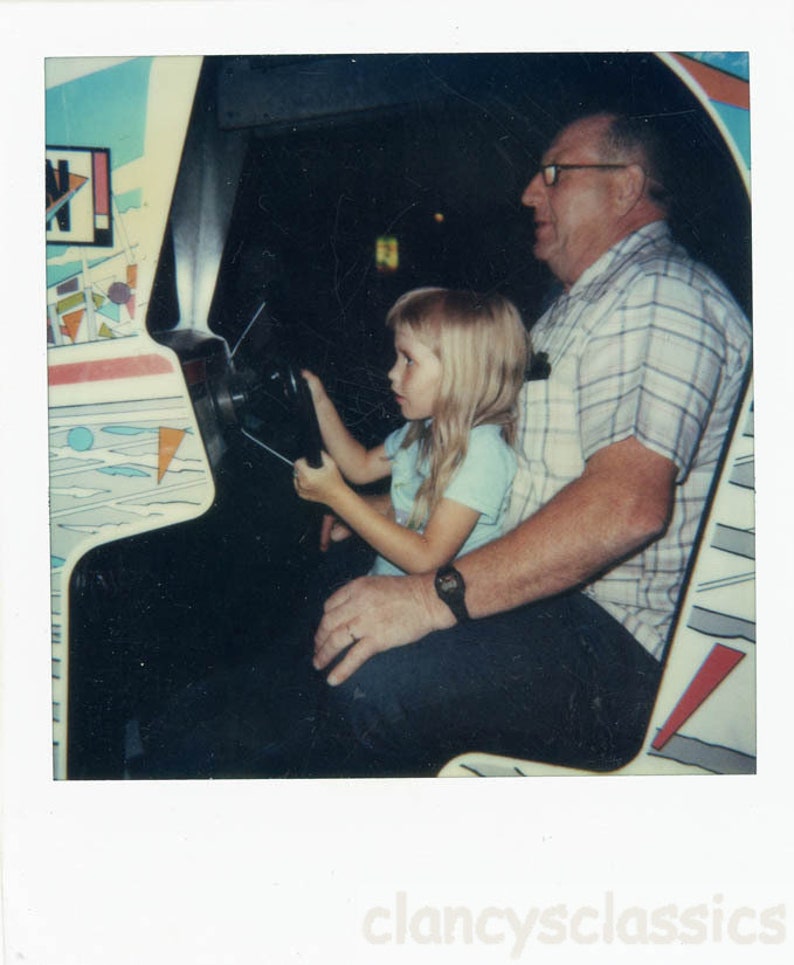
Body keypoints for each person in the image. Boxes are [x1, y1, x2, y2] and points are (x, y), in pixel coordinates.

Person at [304, 111, 752, 776]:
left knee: (376, 683)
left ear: (625, 188)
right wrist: (390, 510)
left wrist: (431, 598)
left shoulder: (657, 297)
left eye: (553, 174)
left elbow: (626, 506)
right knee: (338, 609)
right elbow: (508, 477)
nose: (528, 193)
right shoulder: (578, 307)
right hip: (559, 599)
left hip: (617, 638)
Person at [293, 287, 530, 578]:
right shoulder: (423, 431)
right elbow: (360, 466)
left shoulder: (483, 454)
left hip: (432, 606)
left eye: (408, 360)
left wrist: (336, 496)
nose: (392, 373)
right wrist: (318, 399)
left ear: (460, 375)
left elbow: (427, 557)